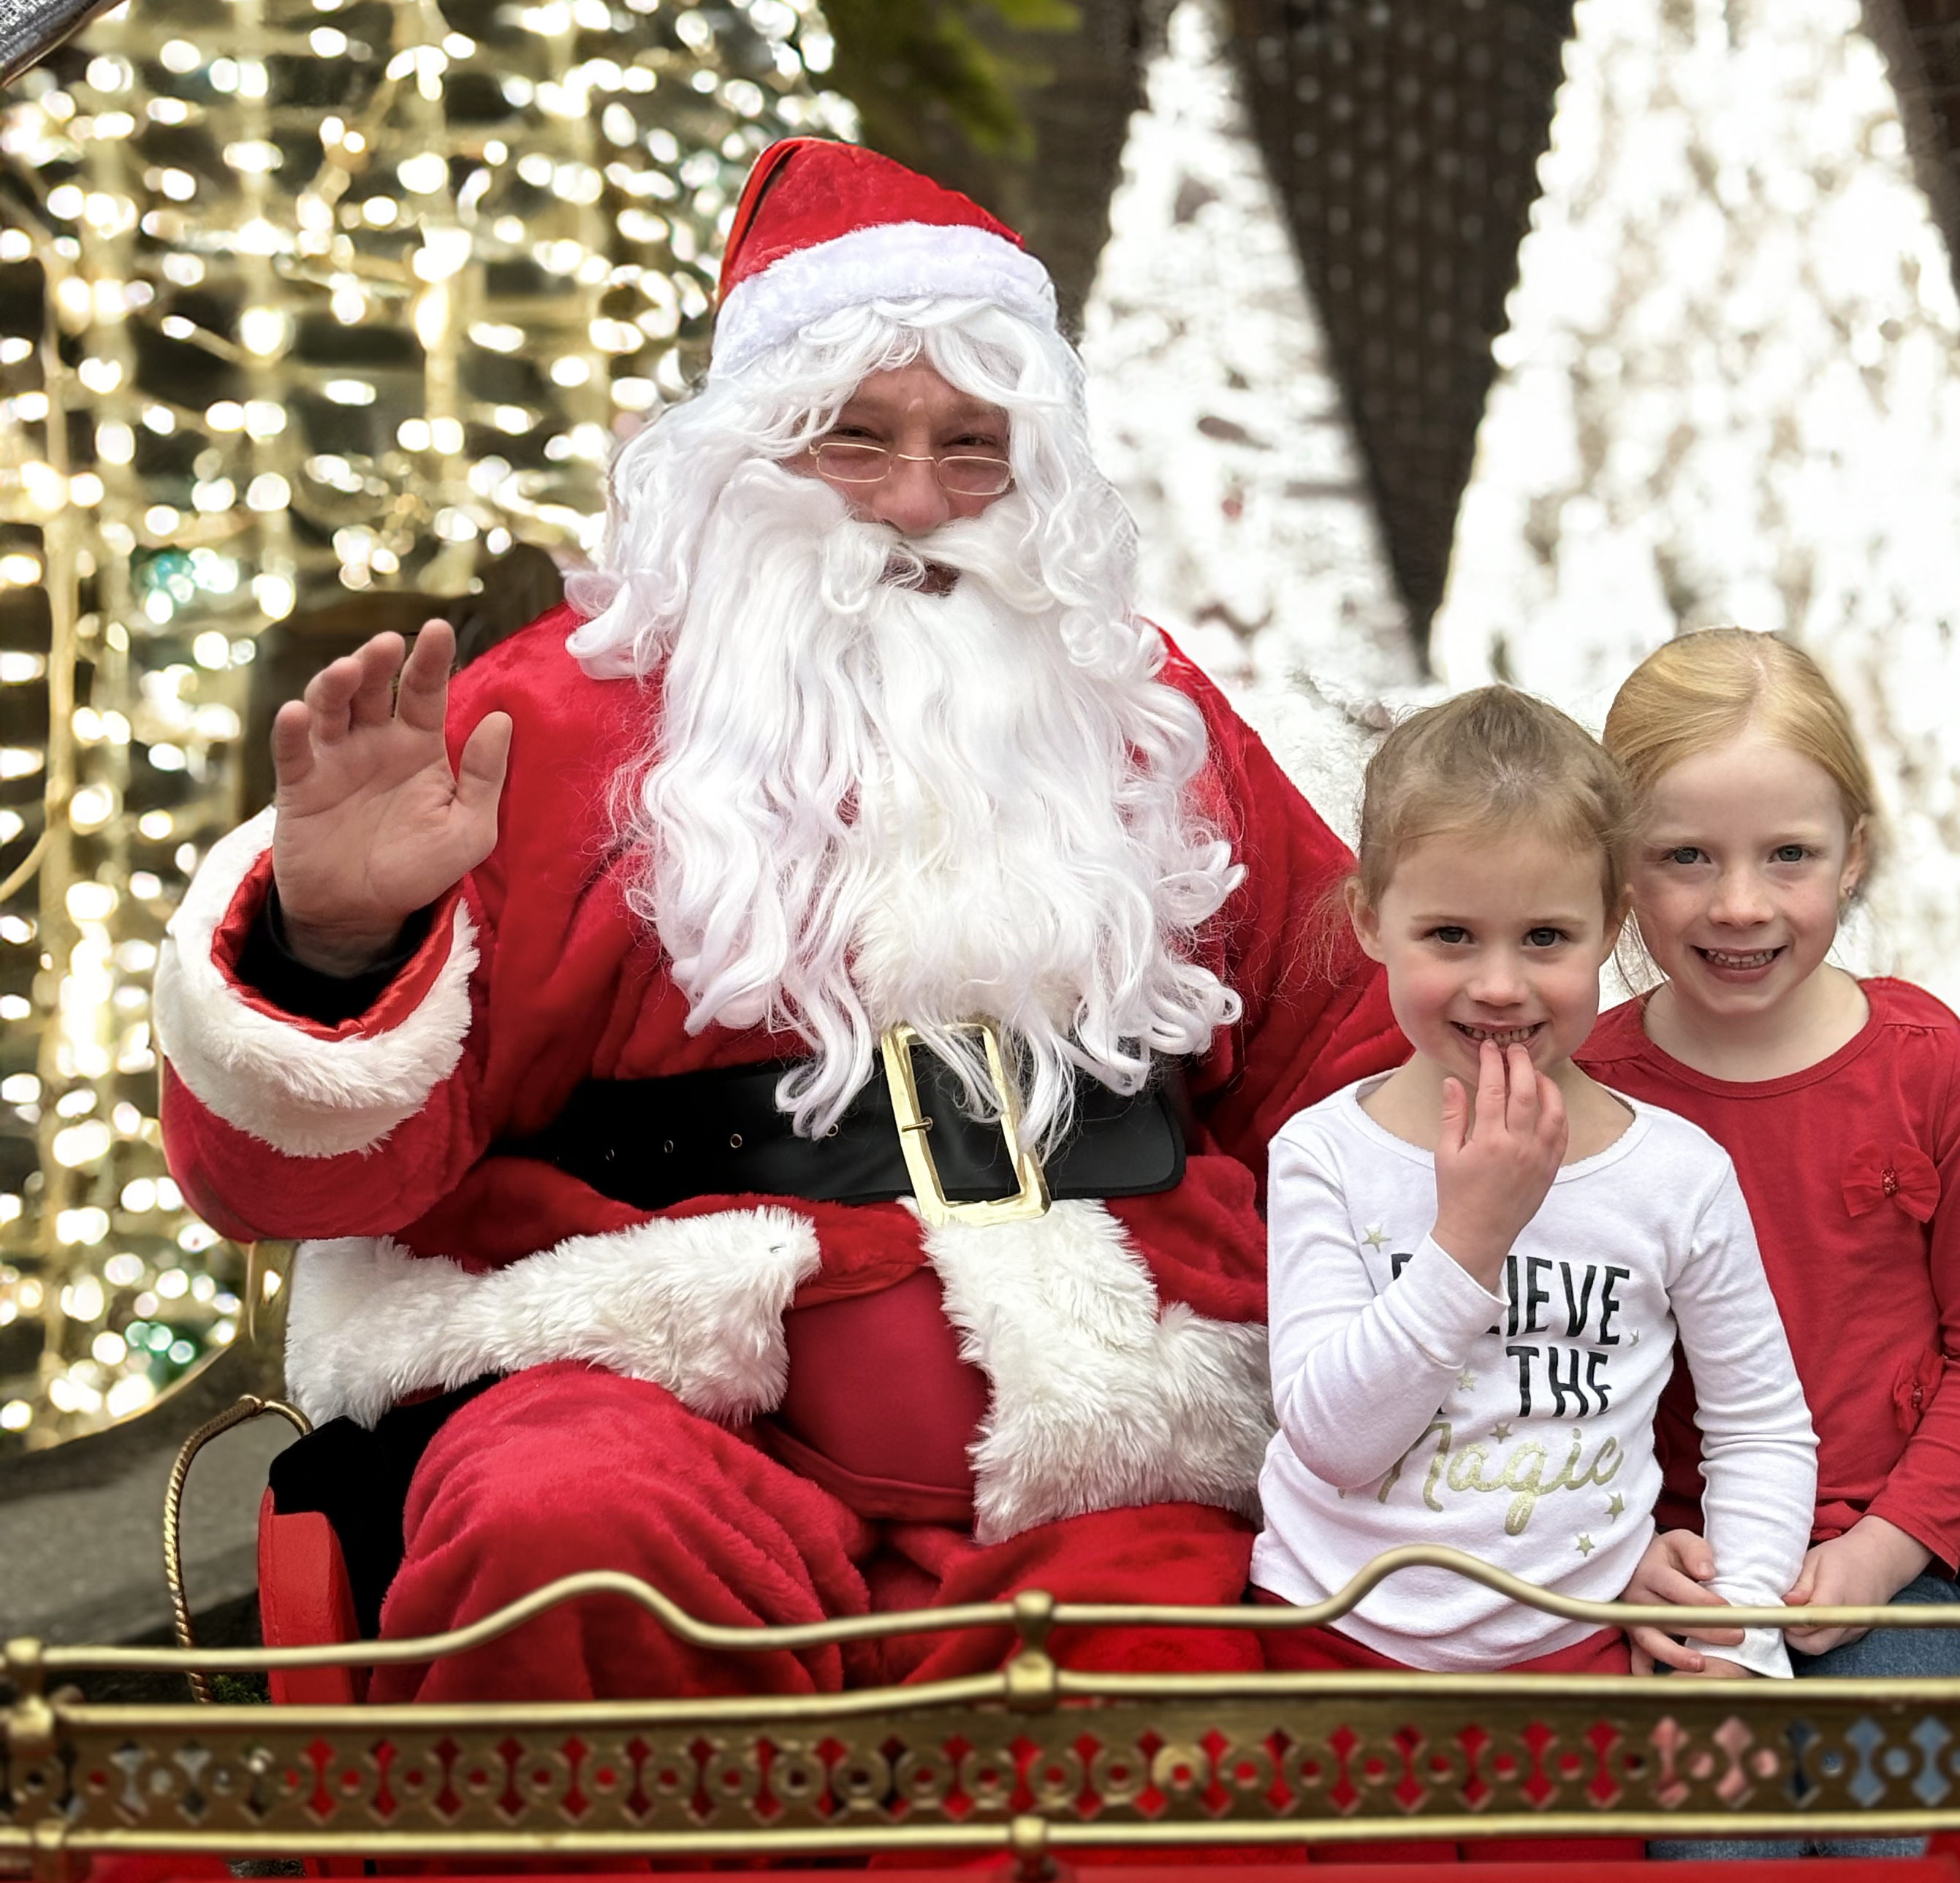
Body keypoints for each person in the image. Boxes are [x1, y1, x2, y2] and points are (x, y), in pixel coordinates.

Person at [152, 138, 1403, 1703]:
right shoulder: (532, 723)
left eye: (973, 451)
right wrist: (330, 946)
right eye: (854, 440)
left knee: (1191, 1678)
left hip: (1124, 1398)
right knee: (557, 1543)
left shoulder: (1142, 716)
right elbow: (275, 1175)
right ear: (743, 454)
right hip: (650, 1378)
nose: (916, 506)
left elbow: (1352, 1038)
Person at [1579, 628, 1960, 1860]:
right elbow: (1540, 1351)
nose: (1740, 903)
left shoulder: (1940, 1077)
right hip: (1677, 1567)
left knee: (1889, 1825)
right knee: (1714, 1845)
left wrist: (1882, 1553)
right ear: (1623, 870)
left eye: (1788, 854)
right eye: (1687, 857)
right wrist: (1623, 1552)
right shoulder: (1585, 1089)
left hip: (1893, 1559)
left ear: (1854, 857)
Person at [1249, 688, 1817, 1703]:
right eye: (1452, 935)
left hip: (1572, 1659)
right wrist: (1470, 1237)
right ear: (1373, 921)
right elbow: (1330, 1439)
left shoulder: (1676, 1174)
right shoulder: (1325, 1154)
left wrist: (1746, 1626)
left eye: (1547, 937)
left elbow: (1760, 1425)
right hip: (1330, 1643)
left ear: (1611, 928)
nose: (1501, 983)